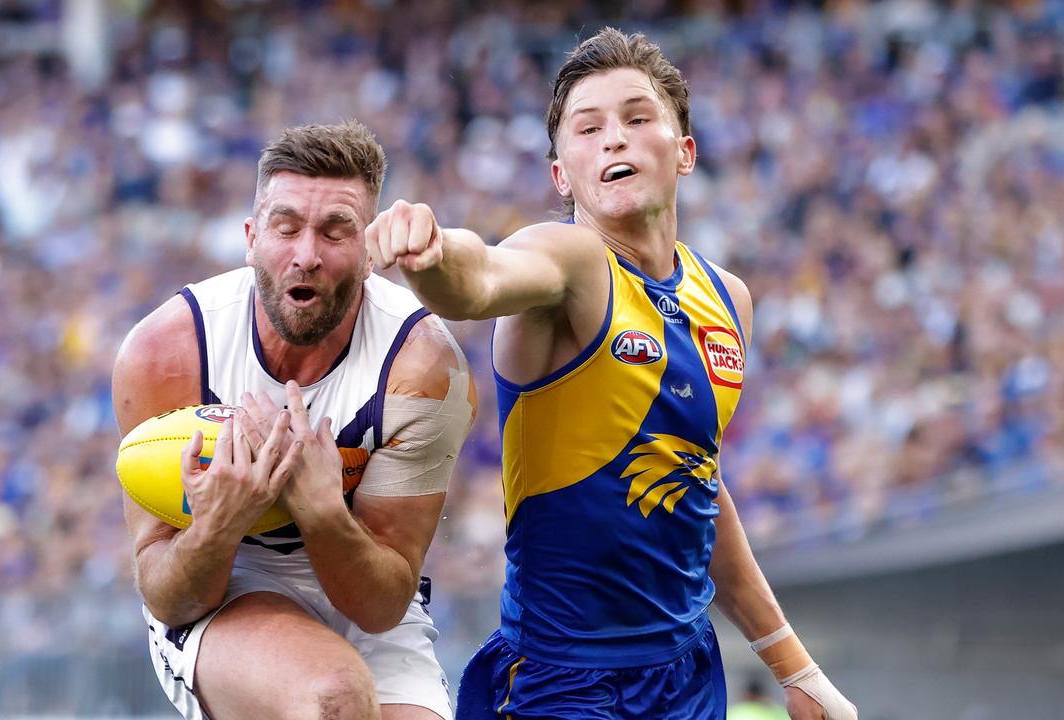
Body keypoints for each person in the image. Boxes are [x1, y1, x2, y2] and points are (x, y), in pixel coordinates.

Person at [366, 28, 856, 720]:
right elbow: (480, 279)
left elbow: (695, 484)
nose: (614, 140)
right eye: (588, 128)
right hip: (561, 684)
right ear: (561, 175)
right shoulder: (571, 262)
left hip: (688, 677)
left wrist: (797, 668)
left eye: (637, 117)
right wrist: (434, 253)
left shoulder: (728, 299)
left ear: (684, 151)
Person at [112, 120, 476, 720]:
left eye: (335, 232)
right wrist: (218, 525)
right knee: (333, 699)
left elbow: (382, 604)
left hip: (359, 577)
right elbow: (168, 596)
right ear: (251, 239)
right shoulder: (167, 351)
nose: (306, 255)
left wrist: (320, 509)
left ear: (368, 253)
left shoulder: (424, 368)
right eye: (286, 228)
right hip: (228, 585)